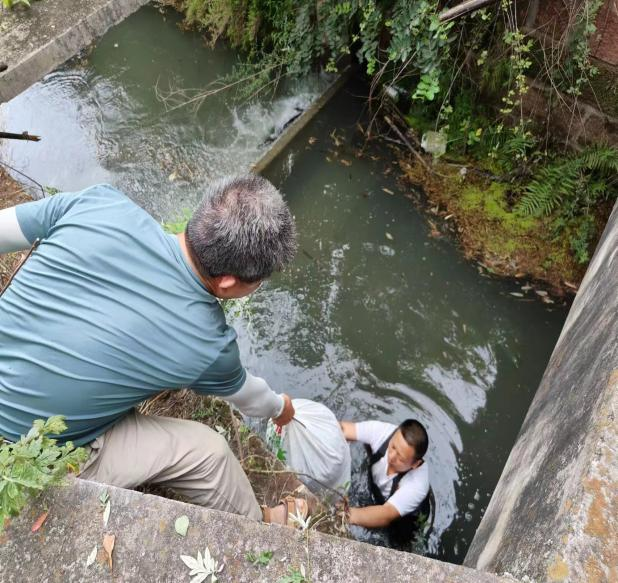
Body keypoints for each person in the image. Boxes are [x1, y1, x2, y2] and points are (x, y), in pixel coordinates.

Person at [0, 174, 303, 525]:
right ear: (227, 282)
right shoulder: (207, 343)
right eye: (258, 281)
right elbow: (252, 399)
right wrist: (281, 408)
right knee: (210, 455)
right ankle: (262, 523)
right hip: (31, 451)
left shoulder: (98, 203)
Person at [339, 419, 431, 533]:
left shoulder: (417, 485)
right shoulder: (384, 432)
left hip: (403, 521)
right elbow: (343, 429)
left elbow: (386, 514)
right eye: (393, 446)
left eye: (400, 458)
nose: (391, 457)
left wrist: (343, 514)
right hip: (376, 492)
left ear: (415, 464)